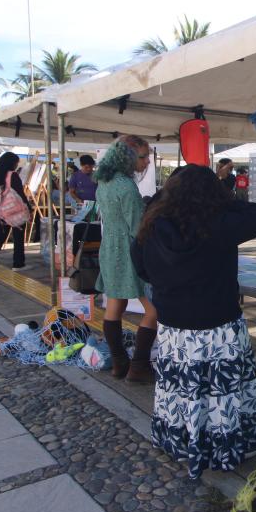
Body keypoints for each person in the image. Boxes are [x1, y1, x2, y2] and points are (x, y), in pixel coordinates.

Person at [132, 164, 256, 479]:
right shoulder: (220, 223)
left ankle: (182, 439)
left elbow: (141, 267)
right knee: (220, 391)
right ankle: (222, 445)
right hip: (218, 325)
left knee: (182, 388)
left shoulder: (153, 222)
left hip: (173, 325)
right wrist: (224, 199)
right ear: (215, 193)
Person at [95, 135, 158, 383]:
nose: (147, 163)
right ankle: (139, 365)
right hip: (131, 251)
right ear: (128, 157)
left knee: (114, 305)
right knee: (154, 308)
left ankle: (119, 361)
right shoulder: (126, 186)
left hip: (110, 248)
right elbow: (137, 227)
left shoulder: (105, 181)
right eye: (143, 157)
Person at [0, 152, 29, 271]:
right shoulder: (12, 175)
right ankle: (18, 264)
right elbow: (20, 193)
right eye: (16, 163)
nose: (16, 165)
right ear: (11, 163)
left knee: (0, 235)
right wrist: (28, 207)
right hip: (15, 210)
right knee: (18, 236)